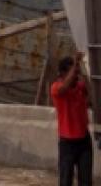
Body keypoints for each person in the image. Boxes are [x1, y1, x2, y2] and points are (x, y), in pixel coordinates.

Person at [51, 51, 92, 186]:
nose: (75, 76)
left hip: (84, 141)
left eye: (76, 73)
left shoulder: (80, 86)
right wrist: (76, 64)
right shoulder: (56, 88)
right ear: (63, 74)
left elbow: (92, 94)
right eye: (72, 73)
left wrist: (83, 70)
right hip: (67, 143)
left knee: (86, 181)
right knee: (65, 181)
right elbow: (64, 87)